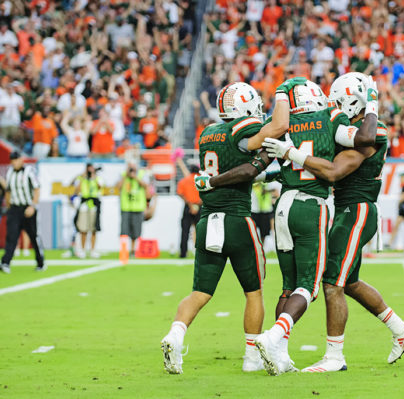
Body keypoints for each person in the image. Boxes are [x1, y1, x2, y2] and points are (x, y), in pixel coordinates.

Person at [196, 76, 381, 375]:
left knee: (287, 287)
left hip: (282, 206)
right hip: (311, 206)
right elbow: (363, 139)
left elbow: (260, 163)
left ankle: (278, 353)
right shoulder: (330, 117)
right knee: (309, 286)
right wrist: (371, 103)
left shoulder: (282, 122)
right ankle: (273, 337)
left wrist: (220, 180)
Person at [271, 72, 404, 373]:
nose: (332, 109)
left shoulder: (372, 134)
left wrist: (293, 153)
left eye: (337, 102)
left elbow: (335, 171)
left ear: (352, 101)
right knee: (348, 282)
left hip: (357, 210)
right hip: (346, 211)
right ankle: (400, 328)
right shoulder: (352, 128)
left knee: (331, 283)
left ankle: (335, 357)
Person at [160, 79, 294, 375]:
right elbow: (274, 130)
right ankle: (251, 358)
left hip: (208, 220)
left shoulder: (208, 133)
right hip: (237, 219)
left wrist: (263, 172)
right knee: (254, 292)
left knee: (200, 292)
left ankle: (176, 334)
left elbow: (233, 170)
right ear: (244, 106)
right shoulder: (242, 129)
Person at [1, 151, 45, 273]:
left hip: (27, 207)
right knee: (11, 236)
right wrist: (9, 206)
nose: (14, 163)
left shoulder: (29, 171)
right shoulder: (10, 172)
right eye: (12, 160)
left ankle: (40, 261)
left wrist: (33, 206)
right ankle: (5, 262)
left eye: (16, 160)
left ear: (21, 160)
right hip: (15, 208)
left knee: (33, 236)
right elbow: (8, 191)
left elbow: (37, 189)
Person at [116, 163, 148, 253]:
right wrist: (126, 175)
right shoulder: (123, 175)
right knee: (124, 231)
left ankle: (133, 250)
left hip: (138, 207)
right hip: (126, 207)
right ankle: (123, 249)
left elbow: (146, 186)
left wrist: (135, 177)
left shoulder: (141, 174)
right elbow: (117, 187)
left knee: (136, 231)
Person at [73, 163, 103, 258]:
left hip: (94, 204)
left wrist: (94, 177)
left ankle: (93, 250)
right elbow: (76, 190)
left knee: (94, 228)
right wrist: (83, 178)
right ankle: (82, 249)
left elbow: (100, 187)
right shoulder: (82, 178)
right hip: (84, 204)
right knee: (83, 228)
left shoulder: (97, 178)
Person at [176, 162, 202, 258]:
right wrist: (198, 203)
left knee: (185, 231)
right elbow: (206, 194)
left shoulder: (184, 180)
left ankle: (183, 253)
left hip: (188, 207)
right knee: (201, 231)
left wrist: (190, 205)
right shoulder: (201, 180)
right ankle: (202, 253)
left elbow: (180, 193)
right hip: (199, 207)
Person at [388, 173, 404, 253]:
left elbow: (403, 198)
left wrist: (399, 203)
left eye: (402, 177)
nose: (401, 179)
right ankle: (391, 243)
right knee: (402, 226)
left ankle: (392, 243)